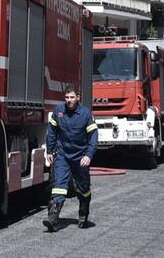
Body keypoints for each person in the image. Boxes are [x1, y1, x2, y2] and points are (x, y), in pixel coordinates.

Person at [43, 85, 98, 232]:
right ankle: (53, 218)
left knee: (83, 188)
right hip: (63, 155)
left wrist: (88, 155)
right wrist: (50, 150)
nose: (69, 101)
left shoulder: (86, 114)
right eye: (67, 98)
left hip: (80, 157)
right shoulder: (59, 111)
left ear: (78, 97)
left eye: (72, 97)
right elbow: (52, 132)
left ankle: (83, 214)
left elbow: (93, 137)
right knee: (59, 185)